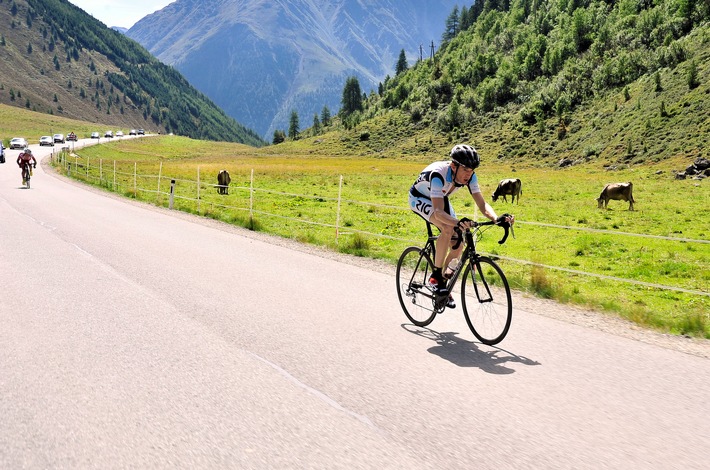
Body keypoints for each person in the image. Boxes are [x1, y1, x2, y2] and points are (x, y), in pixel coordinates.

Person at [409, 144, 514, 308]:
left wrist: (496, 219)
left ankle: (442, 283)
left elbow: (482, 204)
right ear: (453, 166)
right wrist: (457, 222)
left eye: (472, 169)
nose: (469, 173)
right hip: (420, 197)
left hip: (440, 197)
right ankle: (435, 277)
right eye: (465, 169)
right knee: (448, 228)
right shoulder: (438, 175)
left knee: (459, 243)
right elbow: (437, 212)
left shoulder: (471, 177)